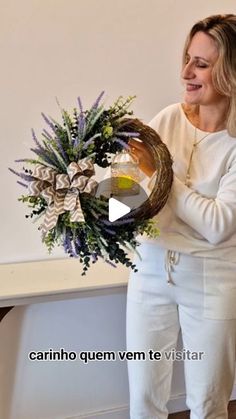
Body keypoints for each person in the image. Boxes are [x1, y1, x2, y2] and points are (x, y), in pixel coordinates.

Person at [127, 14, 236, 419]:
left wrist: (161, 173)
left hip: (212, 279)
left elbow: (217, 225)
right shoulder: (169, 117)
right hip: (150, 270)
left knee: (207, 405)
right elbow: (128, 196)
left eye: (202, 64)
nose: (186, 72)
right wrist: (87, 189)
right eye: (188, 59)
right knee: (144, 402)